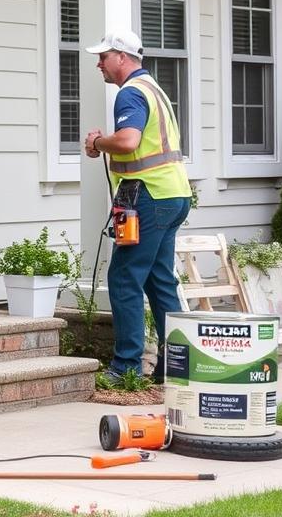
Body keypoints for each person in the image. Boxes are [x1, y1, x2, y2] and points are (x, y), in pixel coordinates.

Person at [83, 29, 191, 382]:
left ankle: (125, 367)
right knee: (159, 281)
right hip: (173, 195)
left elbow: (129, 141)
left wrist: (98, 142)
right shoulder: (153, 89)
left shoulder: (130, 93)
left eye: (104, 57)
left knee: (124, 278)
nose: (99, 64)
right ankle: (176, 366)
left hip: (148, 196)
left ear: (122, 57)